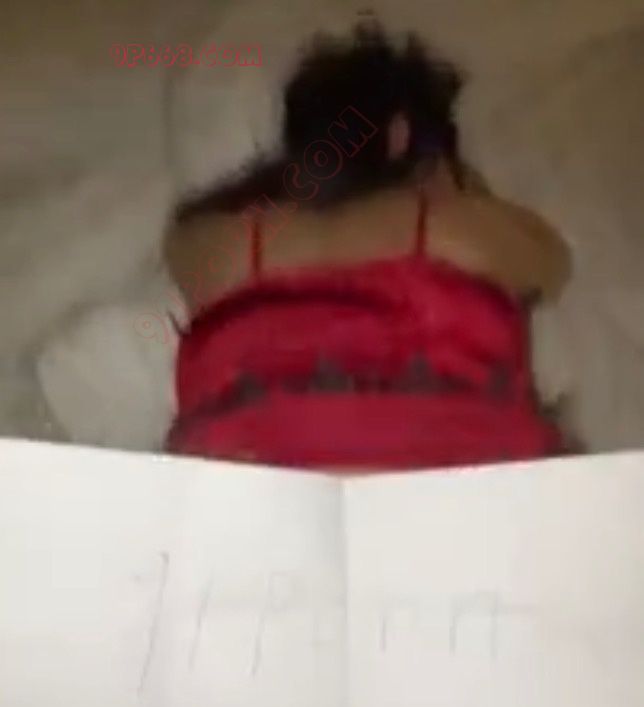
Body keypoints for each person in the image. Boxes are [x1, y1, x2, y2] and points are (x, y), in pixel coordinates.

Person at [164, 22, 572, 473]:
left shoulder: (217, 244)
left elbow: (182, 251)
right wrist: (468, 195)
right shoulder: (457, 229)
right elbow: (553, 263)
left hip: (249, 486)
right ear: (401, 135)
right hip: (460, 479)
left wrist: (285, 186)